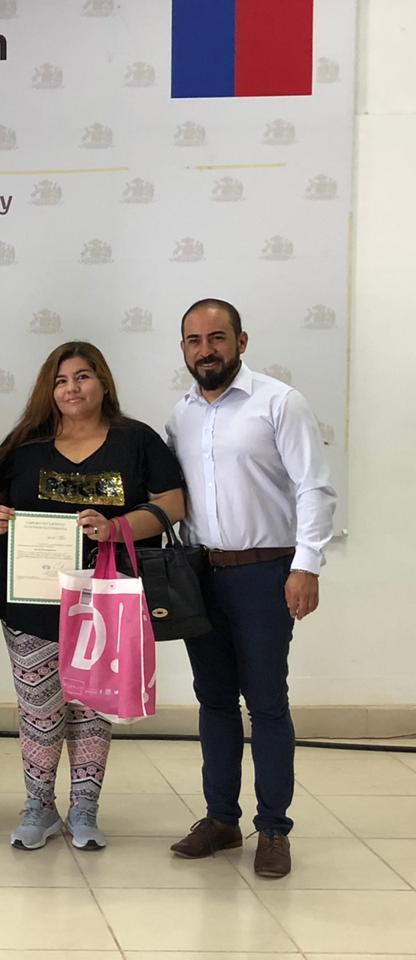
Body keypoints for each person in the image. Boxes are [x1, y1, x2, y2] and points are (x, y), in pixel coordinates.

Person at [0, 341, 185, 851]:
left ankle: (84, 810)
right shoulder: (25, 445)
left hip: (106, 602)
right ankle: (38, 806)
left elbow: (173, 503)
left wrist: (118, 528)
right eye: (60, 380)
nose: (71, 388)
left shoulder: (136, 440)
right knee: (39, 707)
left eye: (82, 376)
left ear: (103, 382)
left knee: (92, 707)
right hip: (32, 602)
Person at [166, 298, 336, 879]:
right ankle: (220, 820)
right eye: (194, 340)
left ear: (241, 341)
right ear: (183, 348)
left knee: (265, 703)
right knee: (213, 699)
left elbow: (314, 488)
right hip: (201, 575)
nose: (205, 350)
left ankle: (273, 828)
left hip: (266, 572)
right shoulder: (181, 415)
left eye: (217, 337)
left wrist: (306, 566)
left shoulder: (279, 402)